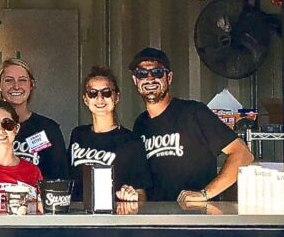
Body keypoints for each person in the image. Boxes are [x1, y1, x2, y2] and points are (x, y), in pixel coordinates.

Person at [130, 47, 254, 205]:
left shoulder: (194, 113)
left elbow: (243, 155)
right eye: (142, 74)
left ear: (169, 77)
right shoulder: (141, 124)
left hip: (196, 220)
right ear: (135, 80)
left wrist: (205, 194)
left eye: (157, 72)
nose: (149, 78)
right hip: (157, 221)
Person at [0, 57, 69, 178]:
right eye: (9, 80)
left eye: (22, 80)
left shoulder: (48, 129)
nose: (16, 86)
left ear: (31, 85)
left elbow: (60, 179)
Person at [68, 65, 152, 202]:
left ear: (116, 97)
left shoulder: (131, 141)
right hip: (79, 218)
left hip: (113, 219)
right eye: (93, 93)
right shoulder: (78, 135)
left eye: (106, 93)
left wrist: (132, 196)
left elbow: (141, 194)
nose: (100, 98)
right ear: (85, 99)